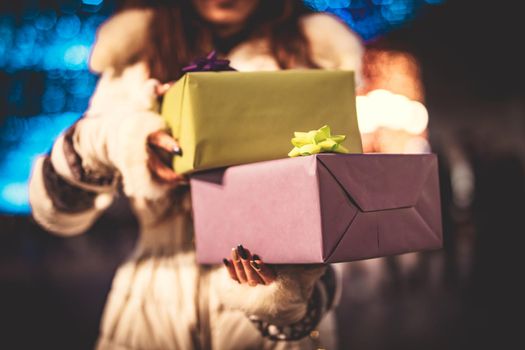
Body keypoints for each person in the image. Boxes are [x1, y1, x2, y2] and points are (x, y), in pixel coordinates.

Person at [28, 0, 364, 349]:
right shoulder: (135, 57)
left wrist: (292, 289)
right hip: (152, 309)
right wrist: (110, 141)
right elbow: (57, 212)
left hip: (268, 324)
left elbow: (337, 208)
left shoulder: (313, 55)